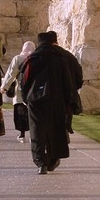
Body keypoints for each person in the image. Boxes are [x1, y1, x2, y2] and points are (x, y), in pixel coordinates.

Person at [19, 31, 78, 174]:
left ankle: (40, 163)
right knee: (56, 129)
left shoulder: (32, 58)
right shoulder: (60, 58)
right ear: (54, 41)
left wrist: (26, 97)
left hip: (36, 100)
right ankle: (53, 160)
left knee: (37, 130)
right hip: (57, 100)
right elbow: (68, 81)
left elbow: (24, 81)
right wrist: (69, 100)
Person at [1, 40, 36, 142]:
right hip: (33, 90)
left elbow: (11, 73)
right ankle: (33, 135)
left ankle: (22, 135)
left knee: (20, 113)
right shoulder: (36, 58)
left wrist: (4, 87)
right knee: (32, 113)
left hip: (21, 90)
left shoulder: (18, 58)